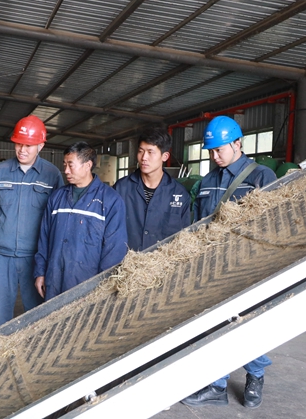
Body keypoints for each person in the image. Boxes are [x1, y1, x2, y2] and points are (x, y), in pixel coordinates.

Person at [182, 115, 278, 409]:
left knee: (246, 326)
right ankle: (217, 385)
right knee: (215, 325)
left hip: (247, 266)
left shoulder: (261, 177)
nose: (215, 156)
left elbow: (273, 225)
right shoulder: (207, 181)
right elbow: (198, 224)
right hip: (211, 266)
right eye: (211, 151)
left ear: (238, 143)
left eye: (219, 149)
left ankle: (256, 375)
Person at [0, 115, 63, 329]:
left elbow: (59, 219)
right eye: (18, 144)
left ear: (41, 146)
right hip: (0, 255)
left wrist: (53, 256)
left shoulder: (52, 175)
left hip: (35, 257)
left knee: (38, 313)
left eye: (28, 145)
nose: (22, 150)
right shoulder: (1, 171)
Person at [34, 142, 128, 301]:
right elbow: (44, 239)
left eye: (71, 165)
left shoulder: (110, 200)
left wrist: (103, 286)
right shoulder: (57, 198)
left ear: (88, 165)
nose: (66, 170)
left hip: (88, 286)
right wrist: (40, 272)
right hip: (54, 280)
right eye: (64, 165)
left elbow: (115, 249)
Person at [114, 129, 190, 251]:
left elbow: (185, 237)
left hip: (163, 262)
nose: (144, 157)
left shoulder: (180, 194)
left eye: (150, 152)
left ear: (165, 156)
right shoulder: (121, 188)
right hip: (126, 261)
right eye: (141, 151)